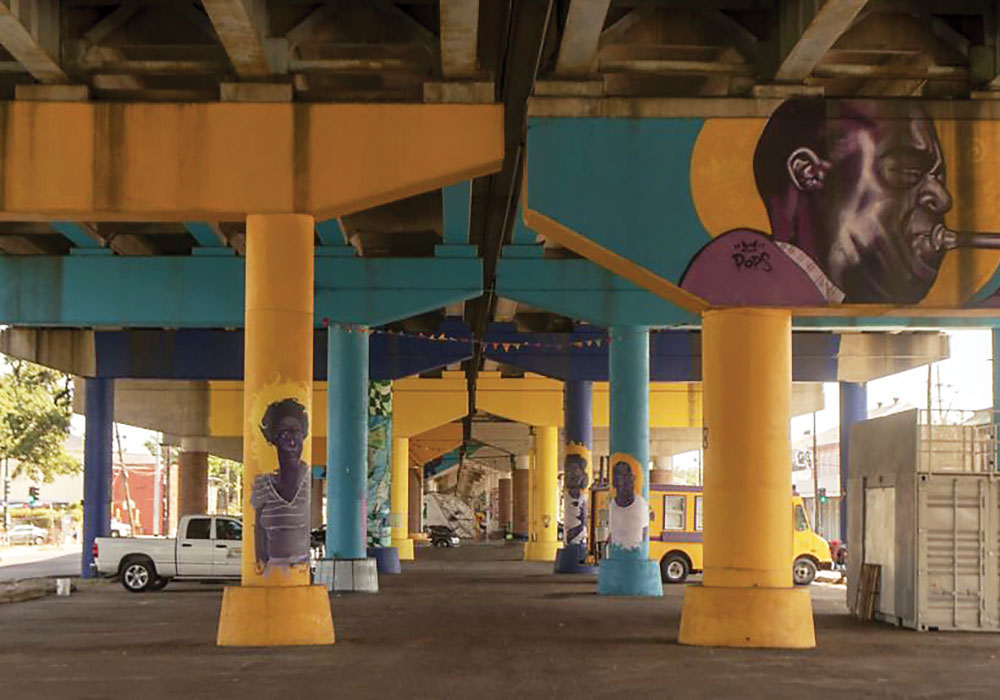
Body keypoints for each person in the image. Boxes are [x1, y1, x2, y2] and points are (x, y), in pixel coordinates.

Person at [681, 98, 952, 305]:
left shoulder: (828, 297)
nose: (943, 199)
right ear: (808, 173)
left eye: (939, 176)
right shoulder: (738, 270)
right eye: (908, 171)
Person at [251, 398, 311, 572]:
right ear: (273, 438)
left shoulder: (308, 479)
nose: (292, 440)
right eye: (284, 433)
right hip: (270, 572)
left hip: (300, 570)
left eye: (296, 432)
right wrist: (259, 566)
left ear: (304, 435)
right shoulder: (262, 484)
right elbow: (258, 533)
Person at [608, 458, 647, 552]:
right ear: (615, 483)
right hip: (618, 554)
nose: (625, 483)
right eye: (620, 478)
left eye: (627, 477)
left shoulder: (640, 503)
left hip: (634, 553)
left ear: (632, 479)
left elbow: (644, 531)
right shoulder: (612, 505)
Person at [563, 452, 589, 546]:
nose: (572, 474)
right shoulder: (568, 498)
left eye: (575, 470)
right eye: (569, 471)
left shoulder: (583, 498)